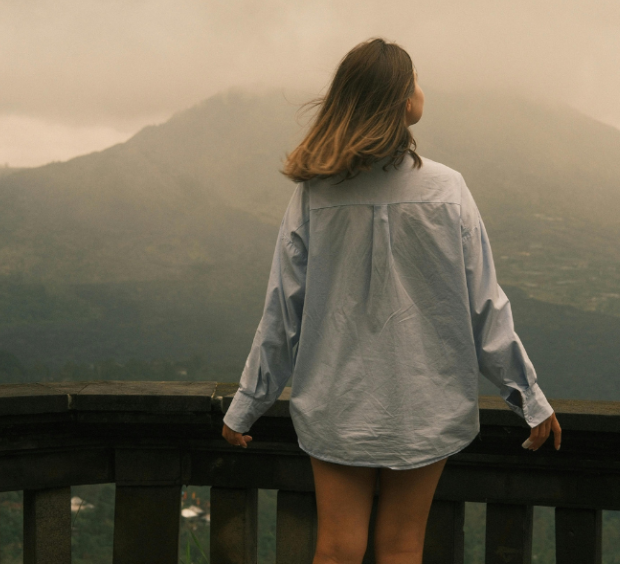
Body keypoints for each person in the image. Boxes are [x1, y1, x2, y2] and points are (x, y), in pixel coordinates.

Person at [222, 38, 561, 564]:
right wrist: (529, 396)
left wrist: (247, 405)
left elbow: (282, 312)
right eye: (415, 81)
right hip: (424, 403)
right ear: (404, 102)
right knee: (403, 548)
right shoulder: (449, 190)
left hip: (337, 401)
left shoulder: (315, 194)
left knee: (336, 548)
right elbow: (485, 305)